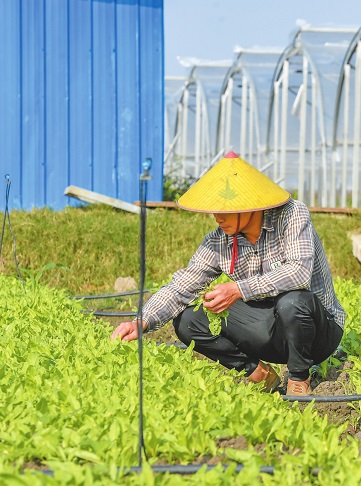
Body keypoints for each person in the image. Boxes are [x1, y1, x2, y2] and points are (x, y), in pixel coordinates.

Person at [111, 151, 345, 396]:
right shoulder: (218, 242)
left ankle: (299, 378)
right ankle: (258, 373)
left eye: (227, 208)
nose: (218, 217)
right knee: (188, 320)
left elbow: (299, 273)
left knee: (293, 300)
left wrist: (238, 289)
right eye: (215, 210)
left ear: (251, 204)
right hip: (271, 329)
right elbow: (181, 286)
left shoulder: (291, 215)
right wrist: (143, 320)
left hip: (318, 332)